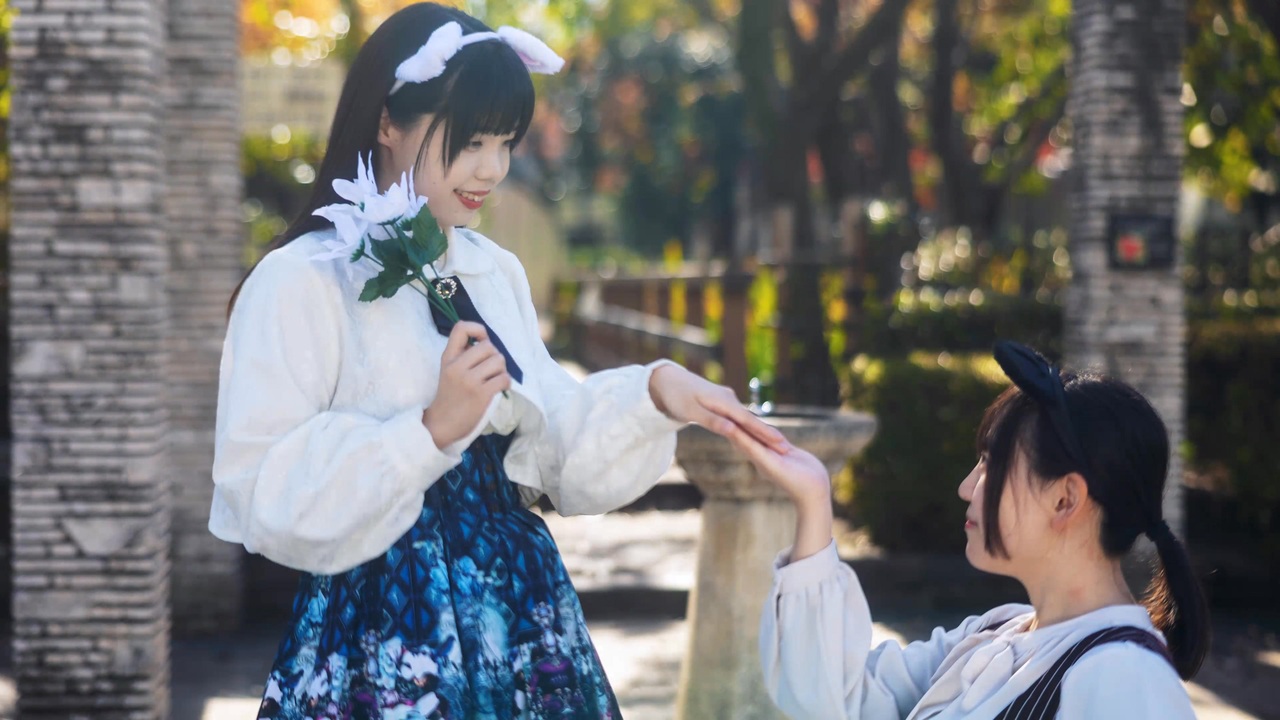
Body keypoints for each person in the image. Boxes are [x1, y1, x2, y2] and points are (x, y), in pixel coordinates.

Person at [211, 4, 785, 717]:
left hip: (516, 610)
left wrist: (656, 393)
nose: (493, 168)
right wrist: (428, 432)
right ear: (387, 122)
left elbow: (554, 446)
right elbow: (260, 485)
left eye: (506, 142)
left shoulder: (490, 269)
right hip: (381, 625)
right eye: (471, 139)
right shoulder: (303, 279)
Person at [724, 341, 1209, 719]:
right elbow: (839, 698)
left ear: (1065, 499)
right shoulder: (994, 634)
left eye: (990, 465)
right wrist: (813, 500)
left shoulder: (1125, 679)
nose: (965, 488)